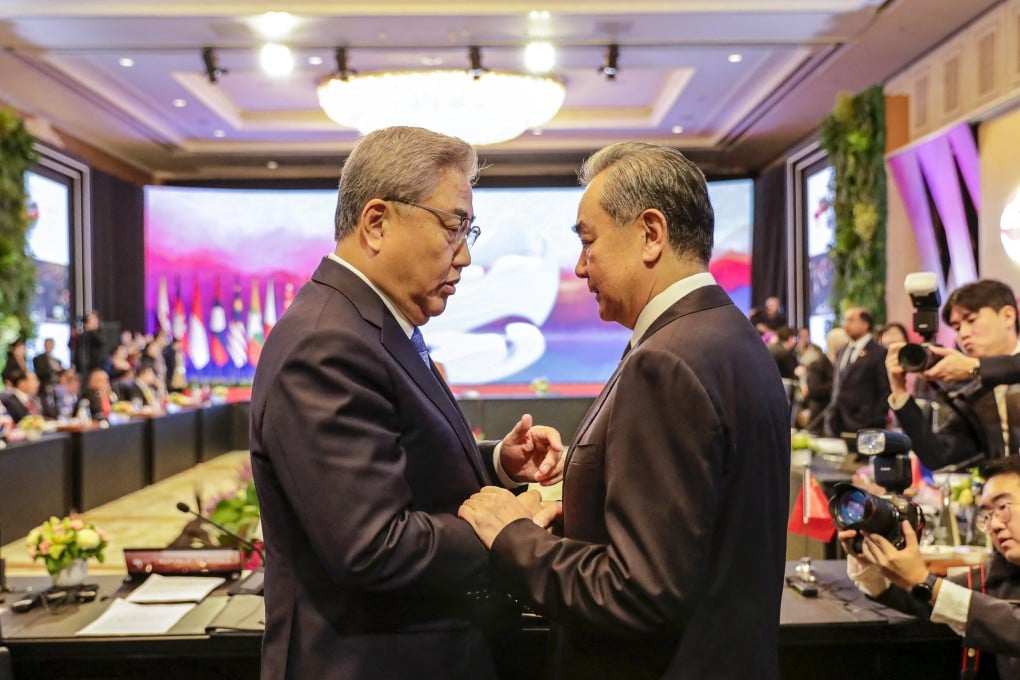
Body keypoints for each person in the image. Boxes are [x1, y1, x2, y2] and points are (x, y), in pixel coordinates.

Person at [458, 142, 791, 679]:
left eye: (589, 243)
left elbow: (638, 590)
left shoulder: (667, 361)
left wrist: (511, 535)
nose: (580, 266)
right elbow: (702, 528)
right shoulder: (725, 334)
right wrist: (583, 520)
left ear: (651, 233)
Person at [249, 126, 566, 680]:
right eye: (454, 226)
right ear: (377, 222)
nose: (465, 256)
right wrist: (503, 526)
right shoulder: (328, 342)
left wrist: (495, 463)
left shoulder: (364, 322)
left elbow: (392, 452)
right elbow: (372, 546)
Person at [842, 455, 1020, 677]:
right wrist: (872, 560)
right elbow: (927, 598)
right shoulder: (1001, 571)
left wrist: (924, 581)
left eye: (1003, 506)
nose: (994, 524)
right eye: (987, 514)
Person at [887, 279, 1020, 470]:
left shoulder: (975, 374)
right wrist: (900, 392)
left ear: (1008, 316)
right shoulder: (974, 391)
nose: (963, 334)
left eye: (971, 320)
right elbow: (938, 455)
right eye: (957, 327)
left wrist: (974, 367)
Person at [824, 306, 891, 438]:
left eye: (850, 320)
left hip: (865, 425)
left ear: (865, 324)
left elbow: (884, 390)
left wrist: (874, 420)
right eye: (845, 320)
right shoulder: (842, 351)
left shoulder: (878, 353)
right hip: (838, 423)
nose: (845, 324)